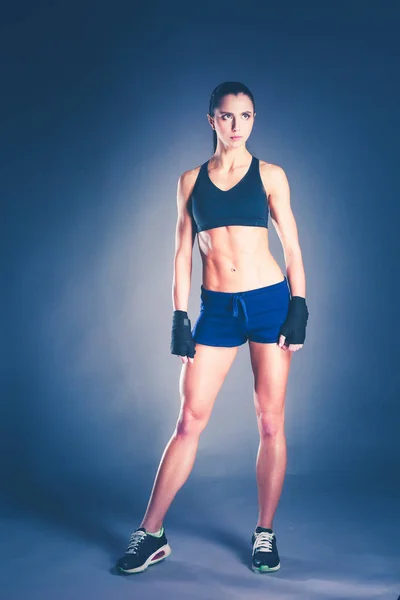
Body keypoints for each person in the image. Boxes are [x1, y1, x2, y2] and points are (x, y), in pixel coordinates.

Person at [116, 81, 309, 575]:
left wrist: (300, 306)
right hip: (217, 310)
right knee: (189, 422)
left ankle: (264, 533)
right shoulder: (189, 181)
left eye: (246, 116)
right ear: (212, 121)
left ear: (253, 120)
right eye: (227, 117)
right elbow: (182, 254)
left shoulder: (270, 175)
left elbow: (292, 245)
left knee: (270, 421)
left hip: (269, 303)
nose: (237, 125)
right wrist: (179, 317)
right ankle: (151, 532)